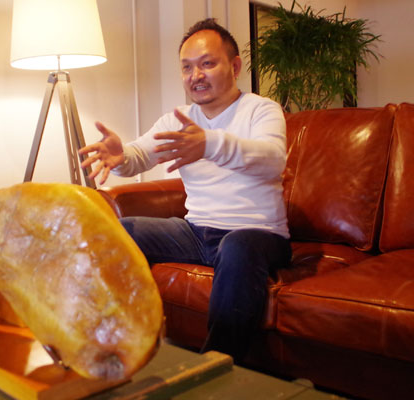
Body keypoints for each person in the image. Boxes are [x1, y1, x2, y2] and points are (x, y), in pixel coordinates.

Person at [79, 18, 292, 363]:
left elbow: (272, 159)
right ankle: (105, 343)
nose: (196, 75)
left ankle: (218, 365)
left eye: (207, 63)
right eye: (187, 67)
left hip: (257, 233)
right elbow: (138, 156)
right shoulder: (177, 119)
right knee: (118, 231)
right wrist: (120, 158)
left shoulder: (261, 109)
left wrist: (209, 144)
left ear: (235, 66)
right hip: (195, 233)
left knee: (237, 247)